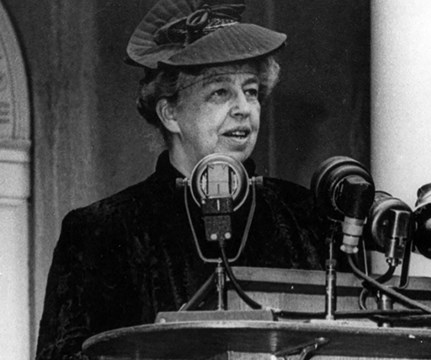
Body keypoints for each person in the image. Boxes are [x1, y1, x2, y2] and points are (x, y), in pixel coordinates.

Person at [35, 1, 329, 359]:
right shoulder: (103, 231)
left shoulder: (306, 217)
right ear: (170, 113)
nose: (244, 108)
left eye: (250, 91)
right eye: (220, 92)